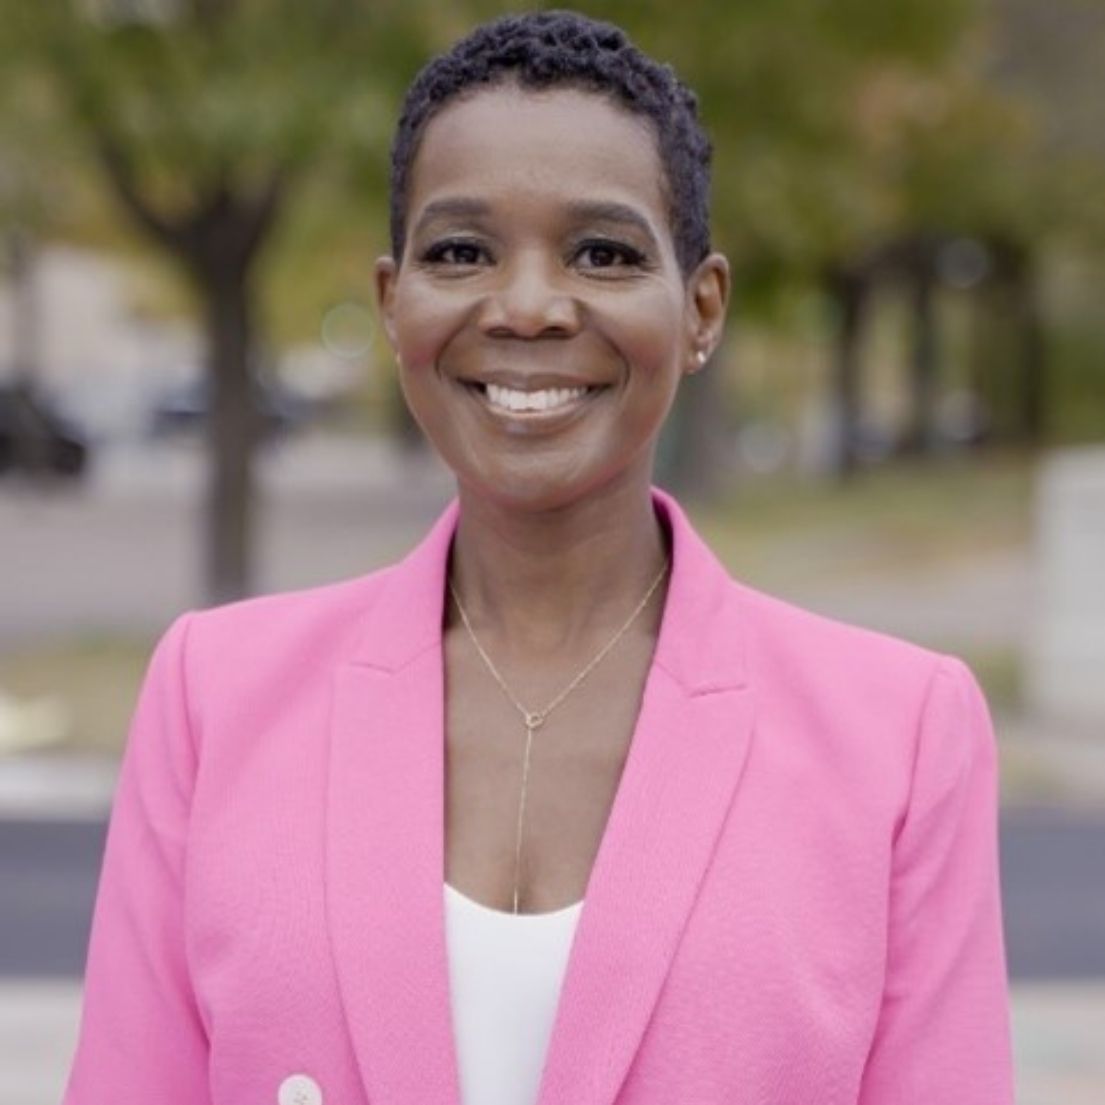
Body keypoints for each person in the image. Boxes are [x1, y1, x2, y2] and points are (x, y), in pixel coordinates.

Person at [63, 10, 1015, 1105]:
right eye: (461, 251)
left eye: (602, 253)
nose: (524, 306)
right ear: (392, 302)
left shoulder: (898, 738)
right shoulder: (213, 696)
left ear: (700, 309)